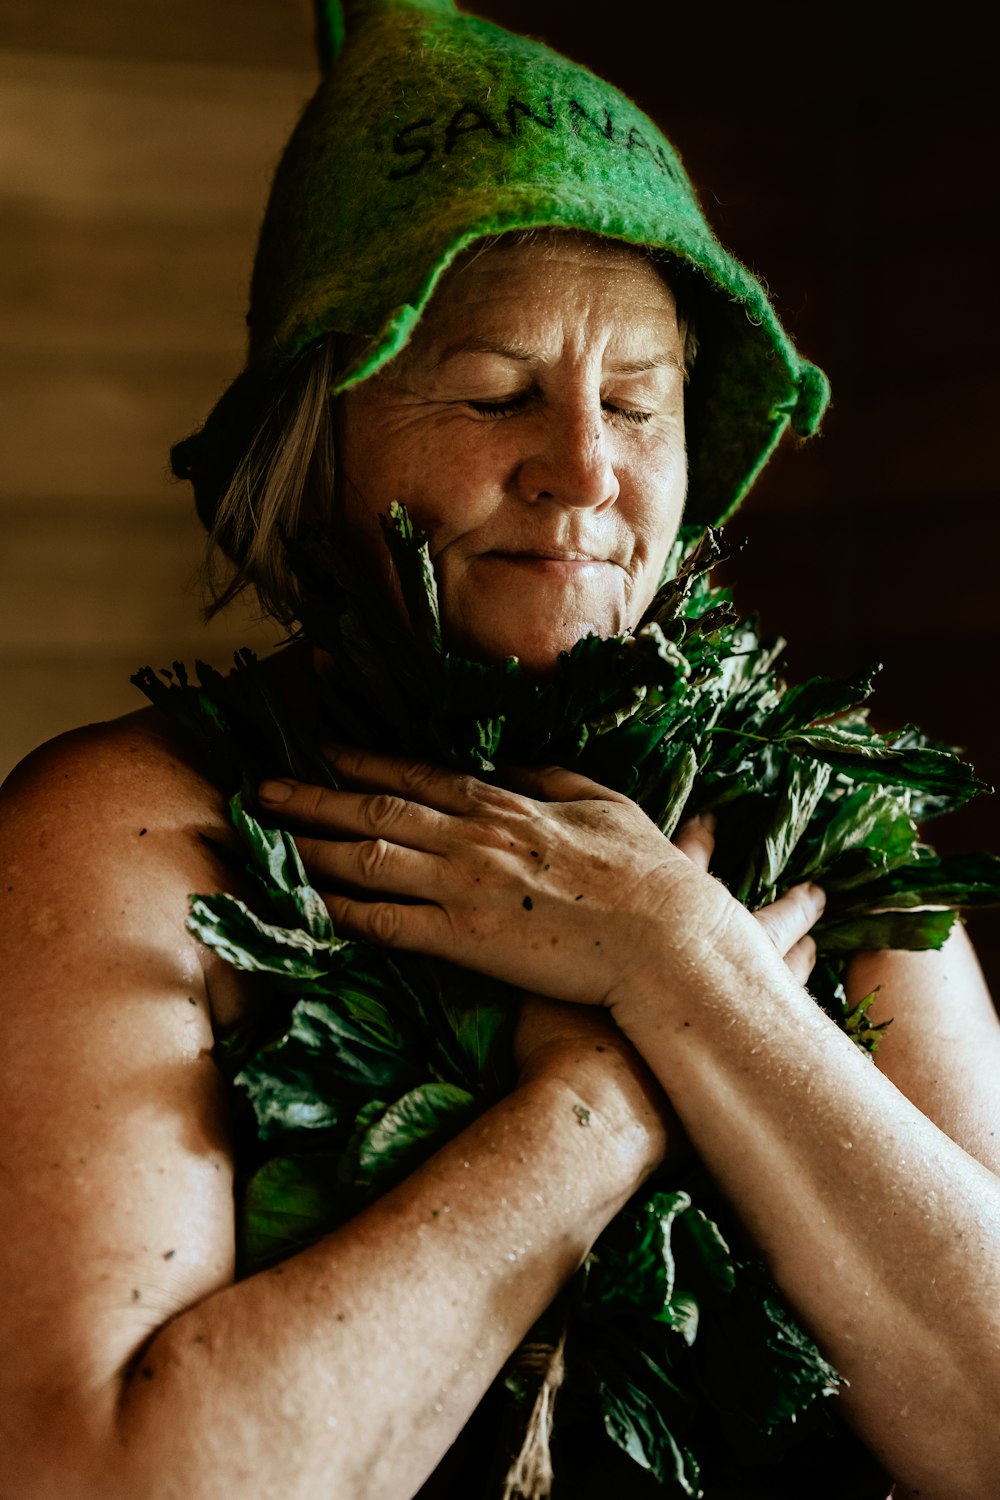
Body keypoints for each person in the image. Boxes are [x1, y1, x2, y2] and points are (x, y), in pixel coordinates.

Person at [1, 3, 999, 1499]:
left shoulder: (821, 838)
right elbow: (108, 1476)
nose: (586, 469)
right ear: (318, 430)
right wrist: (591, 1107)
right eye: (493, 393)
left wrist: (688, 967)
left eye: (638, 404)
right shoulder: (120, 835)